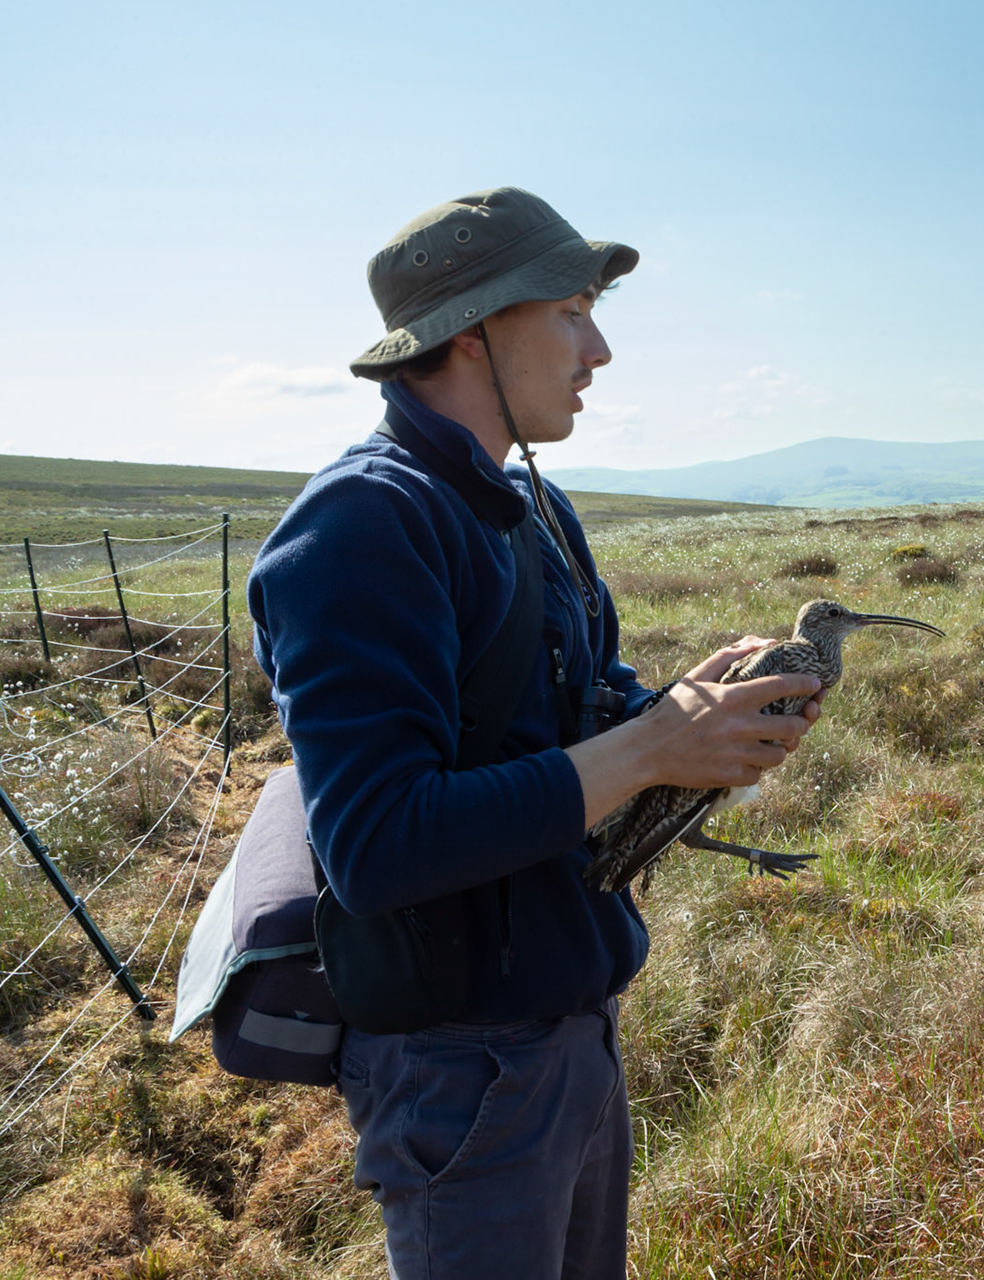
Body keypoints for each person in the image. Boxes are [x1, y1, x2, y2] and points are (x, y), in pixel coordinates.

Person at [248, 187, 823, 1280]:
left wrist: (688, 720)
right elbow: (377, 844)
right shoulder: (363, 523)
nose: (599, 347)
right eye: (570, 310)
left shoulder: (530, 508)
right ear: (471, 331)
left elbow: (570, 712)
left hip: (567, 1037)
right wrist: (651, 751)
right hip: (460, 1070)